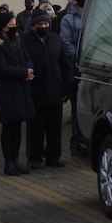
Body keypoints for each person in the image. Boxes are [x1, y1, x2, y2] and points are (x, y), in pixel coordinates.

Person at [0, 14, 36, 176]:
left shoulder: (17, 40)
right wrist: (23, 73)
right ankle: (8, 163)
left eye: (14, 24)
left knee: (17, 126)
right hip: (7, 90)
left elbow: (28, 57)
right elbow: (1, 69)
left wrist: (29, 70)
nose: (13, 28)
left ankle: (16, 160)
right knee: (9, 126)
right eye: (10, 25)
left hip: (21, 88)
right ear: (2, 27)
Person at [23, 11, 68, 168]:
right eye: (40, 24)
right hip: (36, 90)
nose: (43, 26)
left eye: (45, 24)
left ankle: (53, 157)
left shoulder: (55, 39)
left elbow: (64, 64)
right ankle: (35, 157)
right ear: (33, 25)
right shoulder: (25, 41)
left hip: (55, 89)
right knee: (36, 127)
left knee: (54, 127)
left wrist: (66, 87)